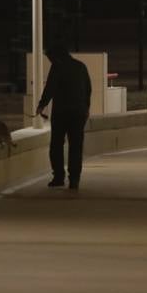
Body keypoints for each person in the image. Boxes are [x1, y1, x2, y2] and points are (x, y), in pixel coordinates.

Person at [37, 41, 92, 189]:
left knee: (56, 146)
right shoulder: (81, 66)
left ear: (56, 56)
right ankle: (74, 179)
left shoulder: (57, 67)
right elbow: (88, 89)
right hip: (78, 113)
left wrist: (42, 105)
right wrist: (86, 108)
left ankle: (58, 177)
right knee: (76, 146)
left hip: (61, 113)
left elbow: (50, 87)